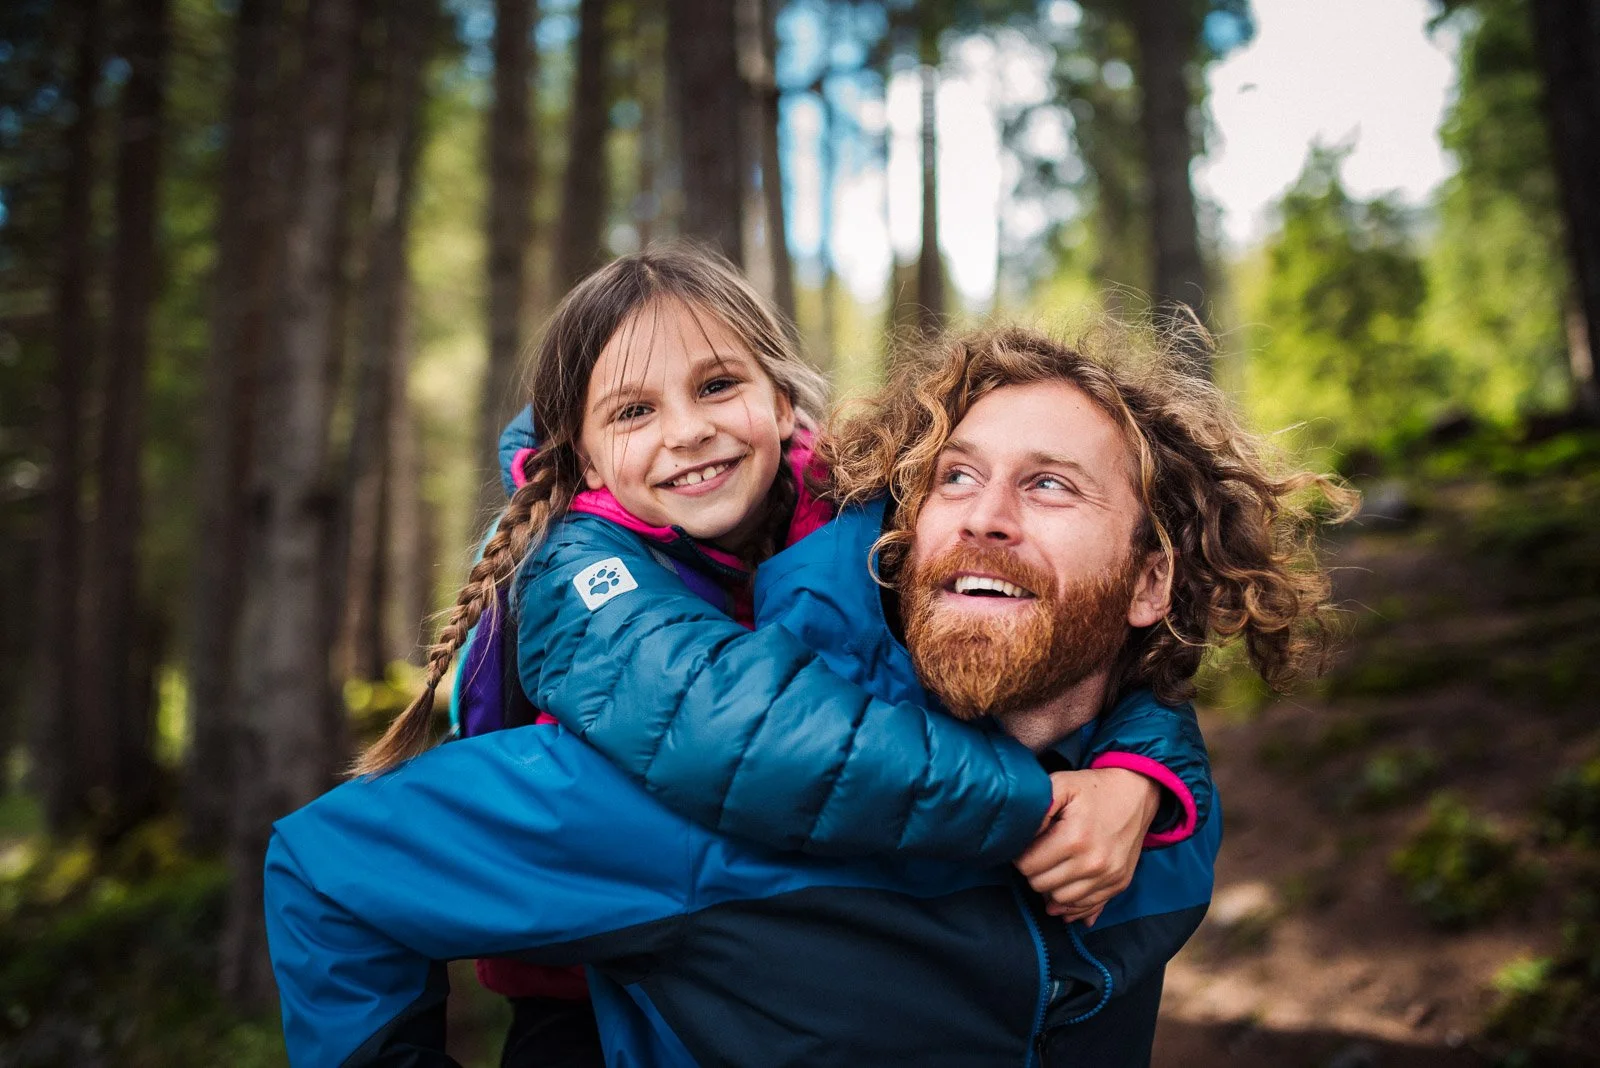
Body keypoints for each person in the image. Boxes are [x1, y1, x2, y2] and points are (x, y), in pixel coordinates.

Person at [266, 319, 1350, 1066]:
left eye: (1050, 486)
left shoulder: (1153, 816)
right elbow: (329, 868)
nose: (983, 515)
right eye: (955, 477)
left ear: (1149, 583)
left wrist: (1143, 780)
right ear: (903, 531)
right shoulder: (701, 801)